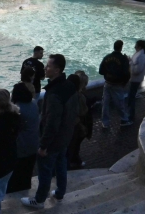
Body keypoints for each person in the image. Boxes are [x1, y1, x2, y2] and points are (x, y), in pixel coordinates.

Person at [20, 53, 78, 210]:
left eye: (48, 66)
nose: (45, 68)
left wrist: (44, 145)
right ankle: (60, 192)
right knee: (61, 164)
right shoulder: (70, 86)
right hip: (65, 136)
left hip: (53, 141)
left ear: (57, 70)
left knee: (45, 170)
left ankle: (39, 200)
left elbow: (51, 123)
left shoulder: (53, 94)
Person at [7, 82, 40, 194]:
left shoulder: (17, 109)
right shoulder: (34, 103)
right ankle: (25, 190)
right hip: (34, 142)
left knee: (16, 172)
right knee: (27, 171)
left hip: (21, 145)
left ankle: (13, 193)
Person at [98, 40, 131, 128]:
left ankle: (105, 122)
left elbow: (101, 71)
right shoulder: (123, 59)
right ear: (121, 47)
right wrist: (124, 82)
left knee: (105, 103)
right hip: (118, 84)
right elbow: (126, 73)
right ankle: (124, 120)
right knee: (120, 102)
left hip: (107, 83)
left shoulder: (107, 57)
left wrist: (108, 74)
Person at [66, 72, 92, 170]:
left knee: (71, 146)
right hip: (78, 124)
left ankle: (72, 161)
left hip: (71, 125)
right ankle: (73, 162)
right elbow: (83, 111)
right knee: (74, 145)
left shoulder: (68, 94)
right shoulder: (80, 97)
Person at [127, 40, 145, 122]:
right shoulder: (140, 54)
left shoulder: (141, 56)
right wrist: (130, 60)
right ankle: (130, 114)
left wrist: (130, 62)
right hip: (134, 79)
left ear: (140, 47)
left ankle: (131, 116)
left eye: (136, 45)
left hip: (135, 79)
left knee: (131, 97)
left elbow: (137, 70)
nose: (134, 46)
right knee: (131, 97)